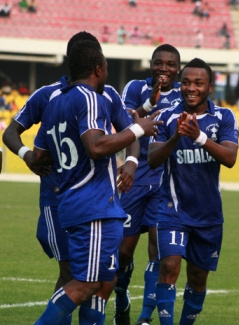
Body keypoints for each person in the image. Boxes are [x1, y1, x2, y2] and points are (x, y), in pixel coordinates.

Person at [3, 31, 140, 325]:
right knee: (75, 276)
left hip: (97, 196)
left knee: (102, 279)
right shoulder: (49, 96)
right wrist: (28, 155)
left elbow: (128, 130)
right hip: (60, 196)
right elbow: (11, 132)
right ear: (93, 64)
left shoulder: (109, 94)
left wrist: (131, 161)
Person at [31, 39, 162, 325]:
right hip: (93, 206)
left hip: (75, 201)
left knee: (103, 283)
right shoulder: (89, 97)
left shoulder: (55, 103)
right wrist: (140, 127)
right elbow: (96, 147)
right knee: (88, 284)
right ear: (99, 69)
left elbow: (40, 155)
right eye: (106, 68)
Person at [147, 57, 239, 324]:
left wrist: (199, 137)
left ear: (210, 87)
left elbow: (230, 158)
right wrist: (177, 135)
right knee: (169, 266)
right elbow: (153, 159)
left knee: (198, 278)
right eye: (186, 82)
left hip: (208, 215)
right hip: (173, 209)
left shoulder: (224, 116)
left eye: (199, 83)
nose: (191, 88)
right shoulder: (166, 116)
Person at [113, 43, 182, 325]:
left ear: (178, 68)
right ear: (150, 64)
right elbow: (122, 123)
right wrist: (149, 104)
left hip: (165, 181)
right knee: (124, 251)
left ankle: (144, 318)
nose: (163, 69)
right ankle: (121, 293)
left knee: (158, 246)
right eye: (158, 63)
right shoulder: (134, 88)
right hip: (134, 177)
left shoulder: (182, 93)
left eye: (169, 64)